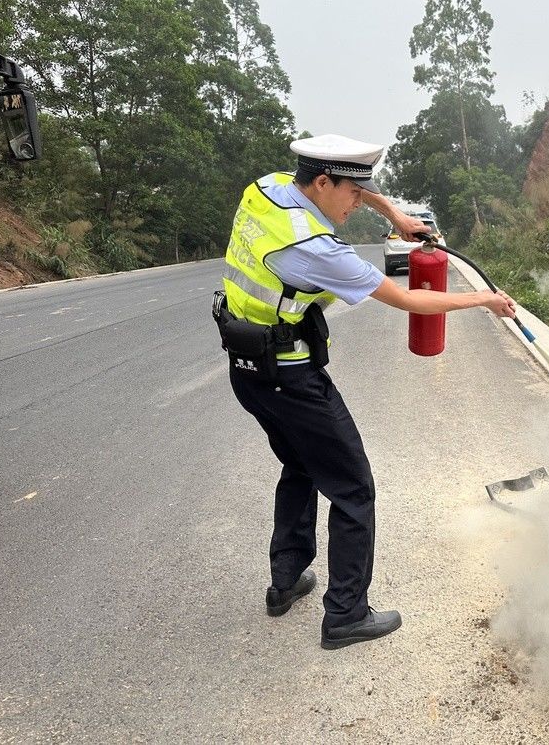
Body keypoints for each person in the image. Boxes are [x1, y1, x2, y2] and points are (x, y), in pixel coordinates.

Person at [218, 133, 515, 650]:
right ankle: (346, 616)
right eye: (352, 194)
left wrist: (392, 215)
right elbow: (404, 298)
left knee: (300, 466)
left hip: (247, 371)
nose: (358, 203)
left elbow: (348, 187)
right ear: (322, 182)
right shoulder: (317, 251)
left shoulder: (266, 189)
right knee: (354, 489)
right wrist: (483, 300)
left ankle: (284, 582)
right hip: (293, 380)